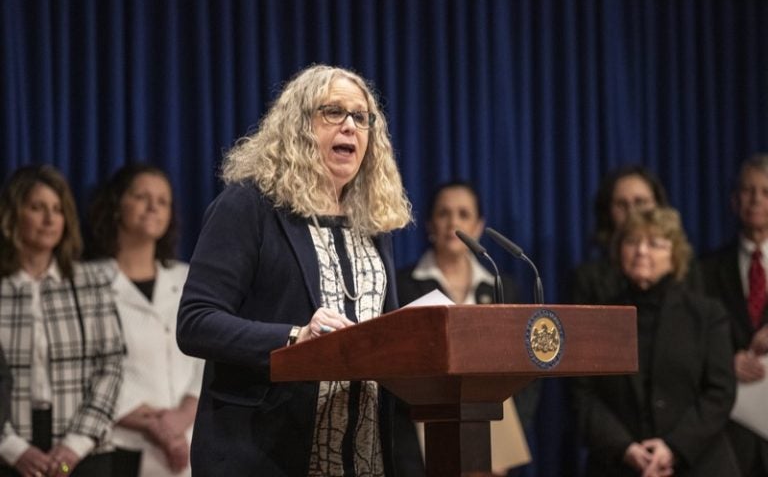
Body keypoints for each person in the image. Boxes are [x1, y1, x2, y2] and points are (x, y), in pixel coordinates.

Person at [176, 64, 414, 476]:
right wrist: (295, 339)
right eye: (333, 112)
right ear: (299, 125)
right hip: (266, 451)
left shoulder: (372, 223)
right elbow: (196, 322)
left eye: (361, 117)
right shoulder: (249, 207)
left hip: (365, 455)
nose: (350, 127)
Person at [574, 207, 739, 477]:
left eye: (654, 243)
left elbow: (720, 393)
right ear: (618, 252)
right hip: (617, 464)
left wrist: (673, 448)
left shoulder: (707, 315)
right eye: (632, 242)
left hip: (697, 463)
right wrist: (625, 448)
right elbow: (582, 397)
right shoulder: (596, 318)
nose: (641, 251)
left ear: (675, 256)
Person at [396, 180, 539, 477]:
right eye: (444, 213)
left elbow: (527, 374)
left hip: (493, 445)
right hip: (418, 447)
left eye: (464, 214)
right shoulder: (403, 286)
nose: (453, 223)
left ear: (478, 226)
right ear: (430, 224)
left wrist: (502, 448)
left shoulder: (503, 287)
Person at [0, 165, 124, 477]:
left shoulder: (91, 281)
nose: (49, 219)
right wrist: (11, 448)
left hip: (82, 452)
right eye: (37, 207)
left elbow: (111, 365)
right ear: (13, 216)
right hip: (11, 449)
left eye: (57, 209)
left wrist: (74, 448)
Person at [87, 163, 203, 477]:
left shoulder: (188, 277)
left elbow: (206, 357)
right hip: (120, 445)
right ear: (116, 207)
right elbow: (89, 367)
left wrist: (180, 420)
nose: (153, 207)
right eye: (142, 197)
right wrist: (157, 427)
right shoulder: (89, 282)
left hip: (188, 444)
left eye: (163, 201)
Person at [699, 154, 768, 477]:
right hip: (730, 432)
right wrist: (725, 361)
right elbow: (690, 341)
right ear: (733, 200)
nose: (756, 200)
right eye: (748, 190)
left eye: (766, 192)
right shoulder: (705, 269)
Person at [571, 165, 702, 304]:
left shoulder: (688, 272)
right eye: (622, 204)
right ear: (608, 210)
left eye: (640, 202)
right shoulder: (589, 279)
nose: (632, 212)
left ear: (658, 204)